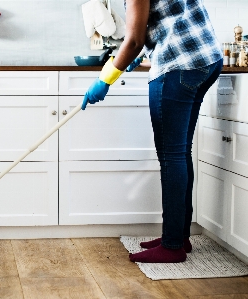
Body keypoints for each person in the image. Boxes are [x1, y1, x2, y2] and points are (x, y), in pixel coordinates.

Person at [82, 0, 223, 263]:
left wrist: (105, 79)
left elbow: (134, 39)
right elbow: (162, 23)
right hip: (206, 60)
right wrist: (140, 56)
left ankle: (172, 247)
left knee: (171, 157)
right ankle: (178, 236)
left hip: (179, 66)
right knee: (180, 153)